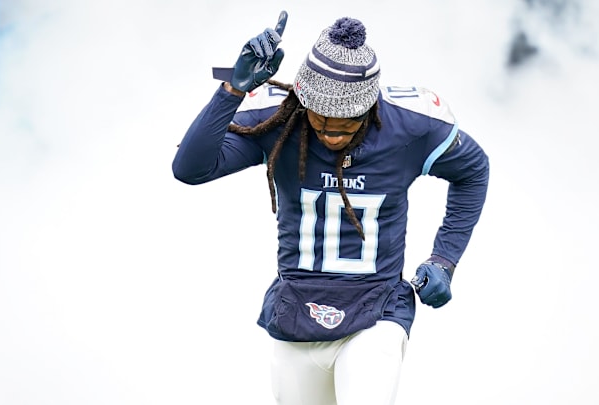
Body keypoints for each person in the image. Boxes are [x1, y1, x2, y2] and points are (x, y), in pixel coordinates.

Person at [172, 10, 489, 405]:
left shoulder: (412, 127)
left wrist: (444, 258)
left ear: (370, 107)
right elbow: (190, 169)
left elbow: (473, 171)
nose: (332, 133)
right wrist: (231, 92)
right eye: (321, 121)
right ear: (302, 102)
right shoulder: (277, 120)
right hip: (296, 308)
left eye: (347, 122)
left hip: (378, 308)